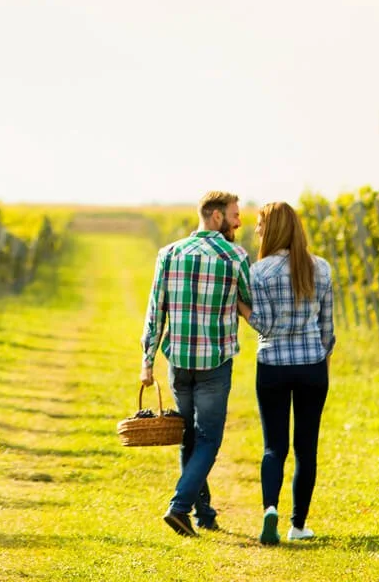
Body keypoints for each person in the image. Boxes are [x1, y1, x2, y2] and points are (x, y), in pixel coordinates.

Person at [140, 190, 252, 536]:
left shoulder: (169, 254)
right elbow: (252, 308)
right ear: (216, 217)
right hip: (214, 363)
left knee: (189, 436)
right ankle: (179, 507)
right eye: (235, 213)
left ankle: (203, 513)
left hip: (179, 362)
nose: (239, 220)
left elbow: (155, 310)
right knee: (209, 440)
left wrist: (147, 361)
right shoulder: (235, 256)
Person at [246, 200, 334, 546]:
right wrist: (320, 364)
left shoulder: (260, 272)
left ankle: (270, 509)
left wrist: (242, 310)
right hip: (312, 366)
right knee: (306, 448)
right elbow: (328, 328)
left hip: (272, 366)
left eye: (259, 224)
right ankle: (298, 527)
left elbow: (264, 325)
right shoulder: (322, 269)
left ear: (272, 229)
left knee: (274, 447)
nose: (256, 230)